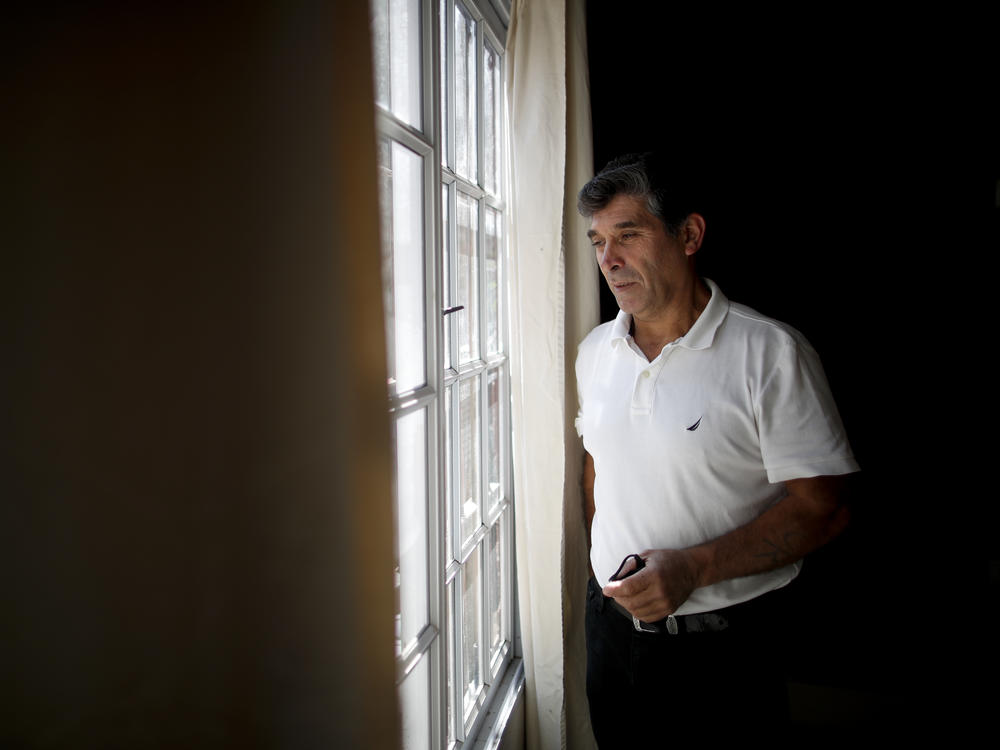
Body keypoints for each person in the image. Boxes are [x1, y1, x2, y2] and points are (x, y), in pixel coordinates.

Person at [574, 152, 860, 745]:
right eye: (598, 241)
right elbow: (597, 464)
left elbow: (825, 507)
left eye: (628, 235)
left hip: (723, 652)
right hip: (609, 634)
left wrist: (692, 568)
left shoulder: (771, 353)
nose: (609, 260)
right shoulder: (594, 351)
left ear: (689, 234)